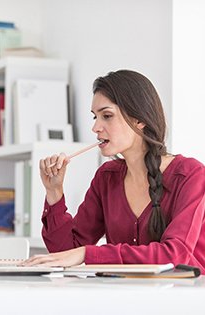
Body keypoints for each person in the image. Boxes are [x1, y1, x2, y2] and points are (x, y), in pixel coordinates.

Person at [23, 70, 205, 274]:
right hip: (124, 299)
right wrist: (54, 193)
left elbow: (173, 256)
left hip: (185, 300)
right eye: (95, 117)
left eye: (107, 116)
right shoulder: (106, 177)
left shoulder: (190, 175)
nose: (95, 127)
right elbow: (65, 253)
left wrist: (87, 254)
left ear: (139, 120)